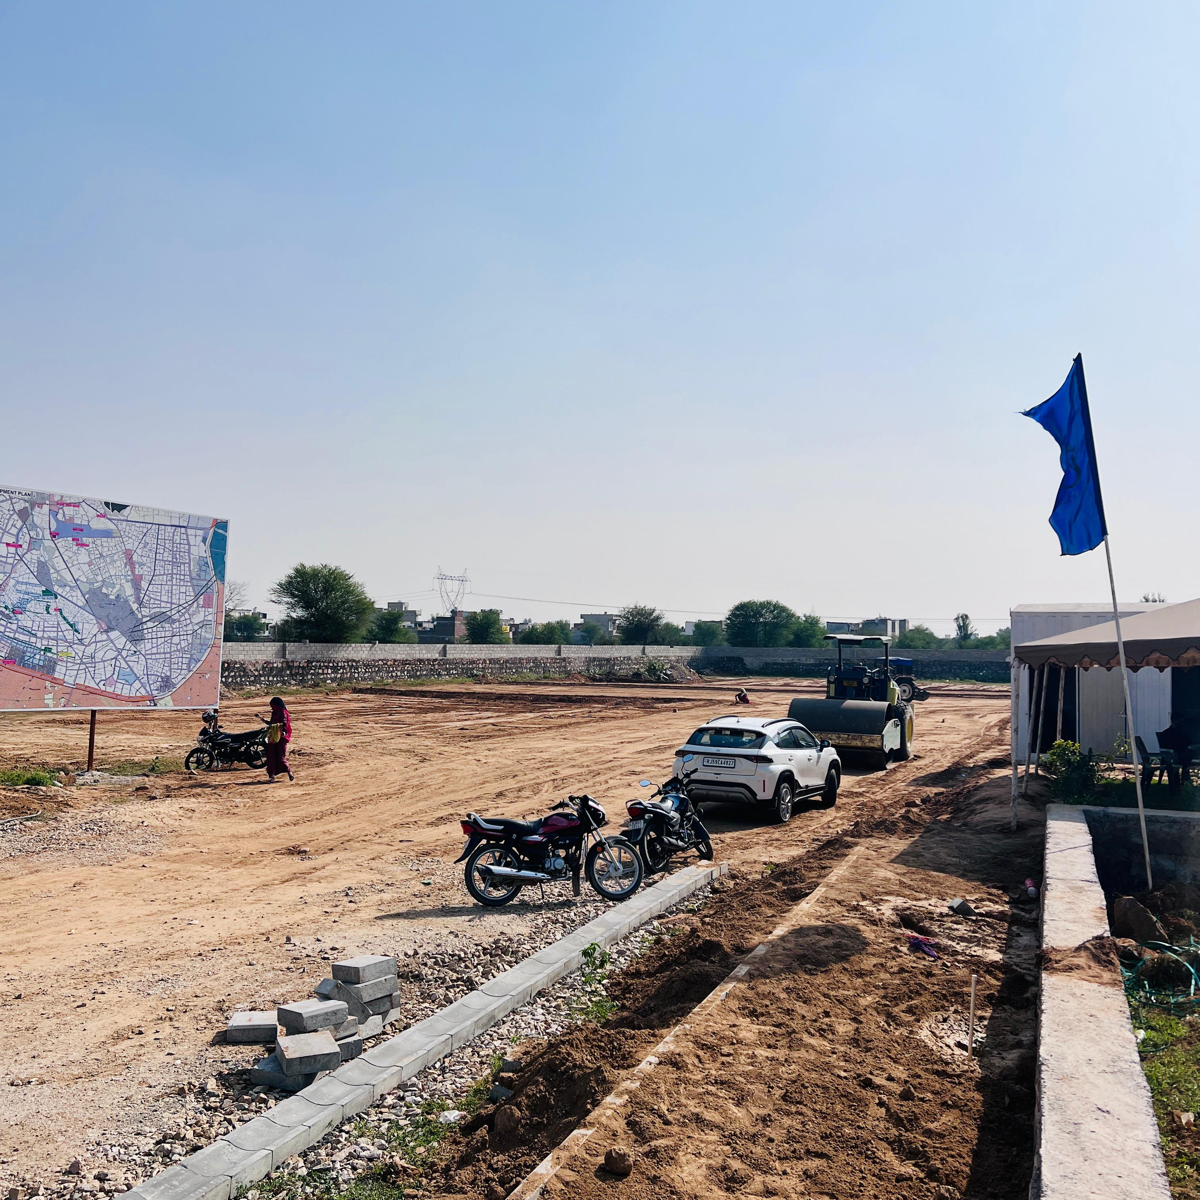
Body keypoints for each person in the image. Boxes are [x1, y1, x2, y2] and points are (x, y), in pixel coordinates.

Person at [259, 696, 294, 783]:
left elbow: (284, 723)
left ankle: (289, 772)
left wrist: (283, 731)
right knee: (271, 756)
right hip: (273, 736)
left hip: (281, 737)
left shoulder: (282, 712)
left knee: (280, 756)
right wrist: (262, 719)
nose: (271, 708)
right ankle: (272, 776)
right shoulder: (275, 712)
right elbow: (271, 723)